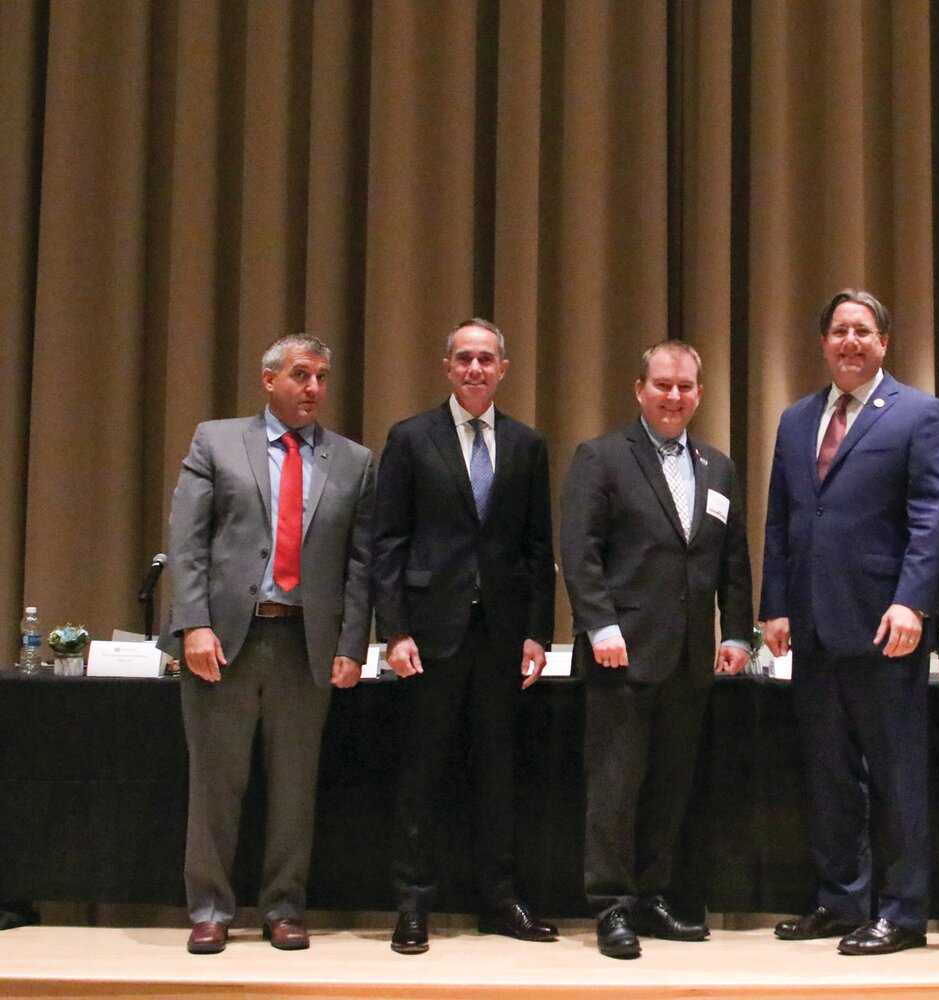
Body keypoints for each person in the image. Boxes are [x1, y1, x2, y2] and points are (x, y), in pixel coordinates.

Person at [163, 334, 374, 955]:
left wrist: (353, 643)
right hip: (226, 639)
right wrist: (192, 622)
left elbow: (361, 564)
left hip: (304, 642)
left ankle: (284, 907)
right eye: (301, 375)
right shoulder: (216, 441)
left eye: (322, 377)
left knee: (295, 786)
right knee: (216, 784)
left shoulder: (354, 461)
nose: (313, 388)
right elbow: (188, 541)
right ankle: (209, 908)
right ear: (269, 380)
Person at [760, 289, 939, 956]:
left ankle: (903, 912)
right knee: (829, 771)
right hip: (813, 627)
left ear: (883, 342)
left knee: (898, 773)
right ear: (823, 343)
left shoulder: (920, 414)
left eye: (862, 331)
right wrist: (775, 605)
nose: (850, 342)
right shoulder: (795, 419)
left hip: (885, 625)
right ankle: (841, 899)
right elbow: (783, 519)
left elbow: (934, 517)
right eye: (839, 330)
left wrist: (914, 602)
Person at [560, 340, 754, 959]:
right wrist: (599, 625)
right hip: (622, 651)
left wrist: (737, 632)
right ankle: (611, 906)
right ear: (639, 388)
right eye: (663, 385)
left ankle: (653, 897)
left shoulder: (717, 466)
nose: (674, 397)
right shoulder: (602, 457)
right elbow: (579, 552)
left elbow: (732, 558)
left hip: (691, 655)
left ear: (699, 394)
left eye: (686, 387)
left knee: (671, 785)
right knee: (615, 787)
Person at [372, 318, 557, 955]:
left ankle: (499, 901)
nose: (475, 369)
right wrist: (392, 629)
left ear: (504, 369)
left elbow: (538, 548)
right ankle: (413, 905)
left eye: (486, 359)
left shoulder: (528, 445)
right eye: (464, 359)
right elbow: (387, 543)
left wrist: (539, 634)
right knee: (421, 772)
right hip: (429, 635)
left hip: (502, 638)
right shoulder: (410, 438)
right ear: (447, 367)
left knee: (499, 775)